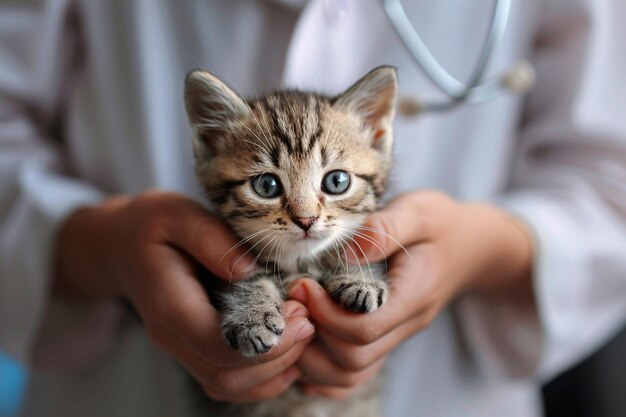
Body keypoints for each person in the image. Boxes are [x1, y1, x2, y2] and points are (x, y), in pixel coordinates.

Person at [1, 0, 625, 416]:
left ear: (377, 133)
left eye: (330, 183)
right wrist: (98, 248)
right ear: (210, 145)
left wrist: (483, 249)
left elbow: (609, 175)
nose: (304, 216)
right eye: (269, 187)